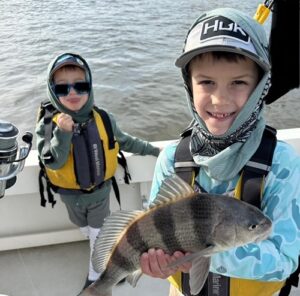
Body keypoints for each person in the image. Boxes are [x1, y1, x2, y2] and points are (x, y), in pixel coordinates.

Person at [140, 7, 300, 296]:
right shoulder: (172, 159)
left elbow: (285, 260)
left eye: (238, 82)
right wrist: (155, 261)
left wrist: (203, 253)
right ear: (189, 85)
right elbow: (153, 232)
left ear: (260, 87)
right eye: (206, 82)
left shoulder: (282, 163)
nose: (219, 98)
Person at [35, 52, 160, 292]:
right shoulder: (48, 125)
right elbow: (53, 161)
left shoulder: (103, 118)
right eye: (62, 88)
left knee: (98, 237)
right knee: (82, 226)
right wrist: (62, 133)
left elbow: (126, 142)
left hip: (100, 194)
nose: (72, 93)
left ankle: (96, 279)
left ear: (90, 86)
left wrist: (156, 151)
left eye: (80, 86)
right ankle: (109, 257)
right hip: (70, 196)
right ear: (52, 91)